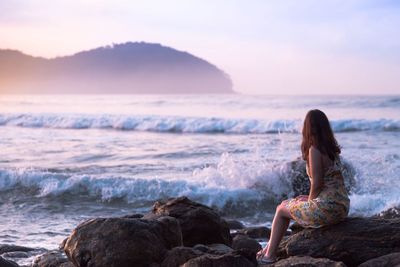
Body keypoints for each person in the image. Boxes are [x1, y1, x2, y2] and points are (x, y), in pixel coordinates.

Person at [257, 109, 350, 264]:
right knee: (287, 203)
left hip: (327, 209)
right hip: (341, 206)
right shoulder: (332, 149)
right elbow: (330, 184)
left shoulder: (315, 149)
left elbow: (318, 182)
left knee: (281, 210)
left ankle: (269, 256)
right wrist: (310, 198)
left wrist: (310, 202)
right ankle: (267, 248)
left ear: (308, 127)